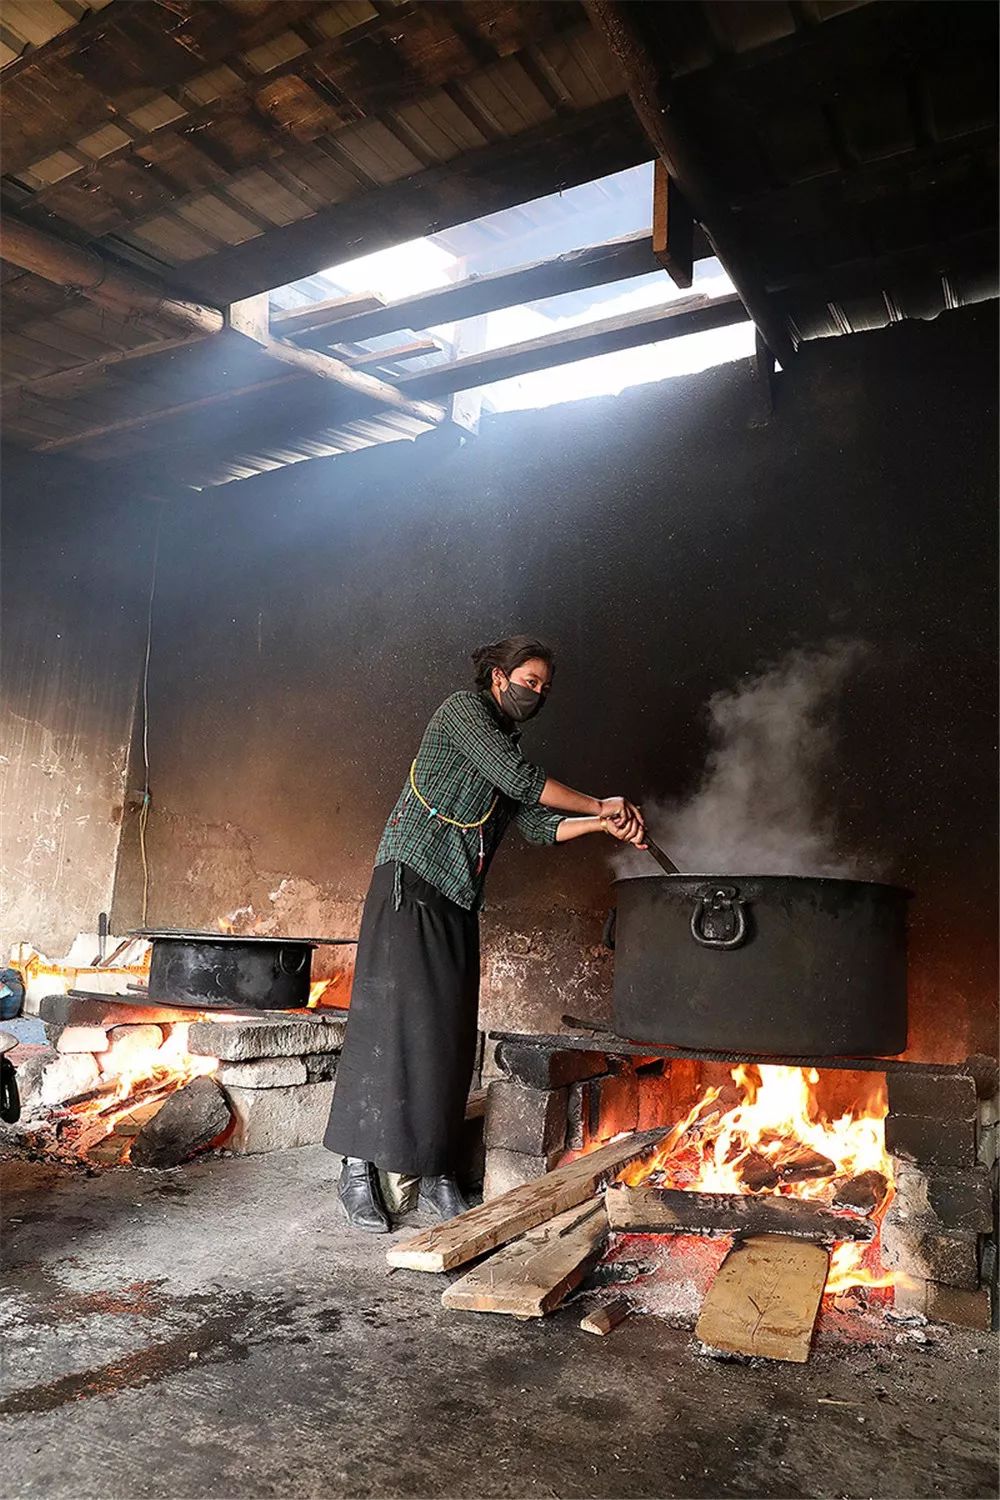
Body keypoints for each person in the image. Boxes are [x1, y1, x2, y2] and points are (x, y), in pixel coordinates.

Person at [324, 634, 645, 1232]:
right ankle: (356, 1169)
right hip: (410, 882)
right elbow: (522, 781)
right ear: (498, 676)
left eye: (545, 688)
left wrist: (602, 827)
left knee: (447, 1031)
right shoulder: (462, 713)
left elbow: (538, 826)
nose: (538, 693)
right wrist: (603, 803)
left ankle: (437, 1168)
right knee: (388, 1022)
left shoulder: (503, 743)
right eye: (530, 681)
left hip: (456, 896)